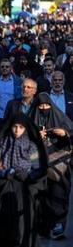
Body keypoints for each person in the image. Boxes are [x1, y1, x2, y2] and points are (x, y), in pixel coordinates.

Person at [0, 114, 48, 247]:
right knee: (2, 223)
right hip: (6, 187)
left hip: (24, 188)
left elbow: (38, 169)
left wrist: (26, 175)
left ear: (26, 128)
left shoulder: (32, 146)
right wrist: (6, 173)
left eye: (21, 127)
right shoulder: (3, 143)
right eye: (14, 127)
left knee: (22, 223)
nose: (17, 130)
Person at [29, 93, 73, 239]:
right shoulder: (31, 119)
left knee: (58, 193)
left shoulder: (60, 118)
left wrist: (64, 133)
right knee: (40, 196)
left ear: (51, 106)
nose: (43, 108)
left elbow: (70, 132)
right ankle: (43, 226)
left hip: (59, 165)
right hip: (38, 164)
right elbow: (22, 136)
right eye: (40, 106)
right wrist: (35, 134)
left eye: (46, 105)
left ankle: (58, 226)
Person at [0, 58, 23, 130]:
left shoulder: (19, 82)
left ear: (11, 68)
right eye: (2, 67)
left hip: (13, 117)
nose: (4, 68)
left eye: (7, 67)